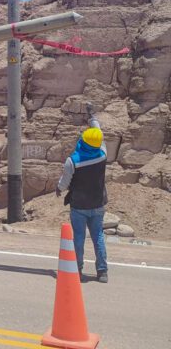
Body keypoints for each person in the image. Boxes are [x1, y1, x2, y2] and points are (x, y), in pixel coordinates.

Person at [56, 102, 109, 283]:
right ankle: (102, 272)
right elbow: (98, 134)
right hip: (98, 203)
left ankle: (77, 269)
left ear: (83, 141)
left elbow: (65, 181)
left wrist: (59, 189)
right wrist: (92, 118)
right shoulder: (103, 153)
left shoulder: (73, 160)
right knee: (98, 236)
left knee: (78, 237)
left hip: (79, 205)